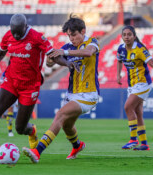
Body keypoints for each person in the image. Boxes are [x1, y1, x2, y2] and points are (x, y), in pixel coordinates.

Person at [0, 14, 56, 162]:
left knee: (20, 128)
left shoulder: (37, 37)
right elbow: (0, 54)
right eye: (14, 32)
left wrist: (68, 63)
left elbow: (53, 54)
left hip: (30, 86)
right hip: (11, 81)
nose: (16, 35)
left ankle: (32, 130)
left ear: (25, 27)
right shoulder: (8, 36)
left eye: (19, 32)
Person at [22, 15, 100, 163]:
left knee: (60, 115)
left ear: (83, 31)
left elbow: (88, 53)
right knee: (67, 125)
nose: (71, 39)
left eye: (74, 35)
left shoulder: (92, 42)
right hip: (72, 94)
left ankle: (37, 151)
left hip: (88, 94)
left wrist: (63, 52)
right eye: (69, 35)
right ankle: (77, 145)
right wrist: (51, 57)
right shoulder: (68, 47)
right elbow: (50, 64)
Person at [116, 25, 153, 151]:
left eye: (129, 34)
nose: (127, 37)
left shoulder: (140, 49)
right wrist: (118, 75)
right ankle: (144, 144)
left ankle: (133, 139)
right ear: (122, 37)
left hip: (143, 84)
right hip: (132, 85)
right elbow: (119, 60)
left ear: (134, 36)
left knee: (128, 107)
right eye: (124, 35)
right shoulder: (121, 49)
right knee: (138, 113)